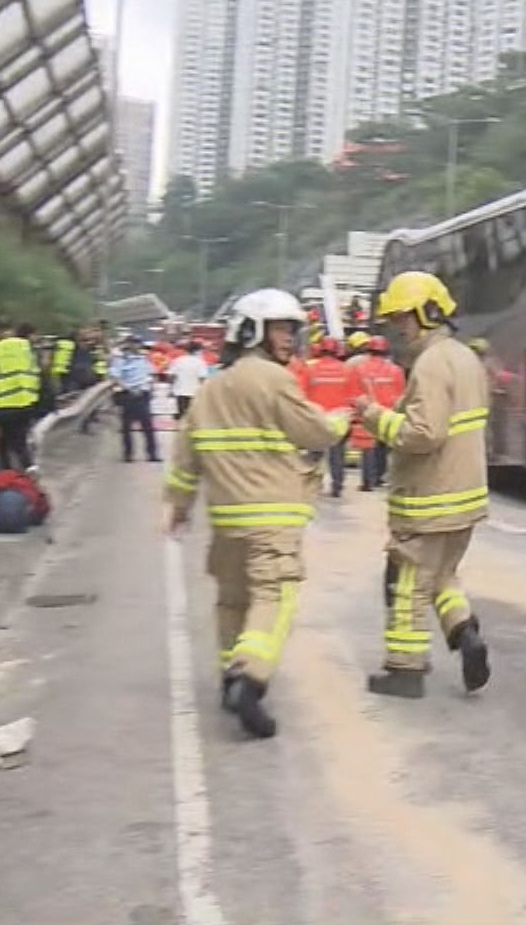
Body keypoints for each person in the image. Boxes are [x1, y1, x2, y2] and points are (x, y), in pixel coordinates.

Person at [163, 289, 349, 738]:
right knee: (273, 597)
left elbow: (186, 455)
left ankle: (230, 676)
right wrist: (340, 421)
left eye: (292, 330)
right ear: (251, 331)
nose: (289, 339)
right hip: (273, 520)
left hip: (227, 521)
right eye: (281, 329)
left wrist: (179, 506)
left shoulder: (211, 388)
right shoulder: (274, 379)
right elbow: (315, 432)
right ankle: (251, 677)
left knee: (232, 601)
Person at [349, 271, 491, 699]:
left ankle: (405, 669)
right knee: (442, 575)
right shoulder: (465, 358)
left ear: (427, 313)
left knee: (408, 582)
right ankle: (465, 632)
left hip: (428, 497)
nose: (397, 328)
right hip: (465, 498)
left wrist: (375, 416)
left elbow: (424, 432)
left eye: (402, 318)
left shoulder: (430, 363)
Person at [302, 336, 362, 497]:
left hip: (317, 418)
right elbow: (354, 396)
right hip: (340, 420)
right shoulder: (347, 370)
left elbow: (302, 395)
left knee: (314, 454)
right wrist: (353, 418)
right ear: (337, 350)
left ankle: (313, 486)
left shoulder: (309, 370)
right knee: (337, 454)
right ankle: (337, 486)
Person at [351, 335, 404, 493]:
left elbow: (355, 394)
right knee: (384, 446)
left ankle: (368, 480)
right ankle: (380, 476)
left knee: (368, 448)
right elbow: (401, 395)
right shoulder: (396, 370)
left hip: (368, 412)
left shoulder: (359, 369)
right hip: (389, 413)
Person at [0, 322, 41, 472]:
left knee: (4, 444)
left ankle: (8, 474)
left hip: (1, 405)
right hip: (26, 402)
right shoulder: (26, 347)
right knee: (20, 442)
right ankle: (29, 469)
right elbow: (37, 373)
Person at [109, 332, 159, 463]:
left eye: (138, 343)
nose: (136, 346)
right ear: (128, 344)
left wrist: (151, 386)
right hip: (128, 394)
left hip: (143, 394)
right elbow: (115, 377)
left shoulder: (144, 358)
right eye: (133, 343)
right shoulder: (121, 359)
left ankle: (152, 454)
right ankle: (128, 454)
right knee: (127, 426)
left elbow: (152, 373)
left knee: (148, 426)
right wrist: (128, 389)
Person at [168, 340, 209, 420]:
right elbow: (202, 378)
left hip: (180, 392)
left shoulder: (178, 360)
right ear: (197, 351)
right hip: (195, 393)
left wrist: (171, 388)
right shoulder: (200, 362)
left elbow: (171, 376)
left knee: (181, 416)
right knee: (193, 416)